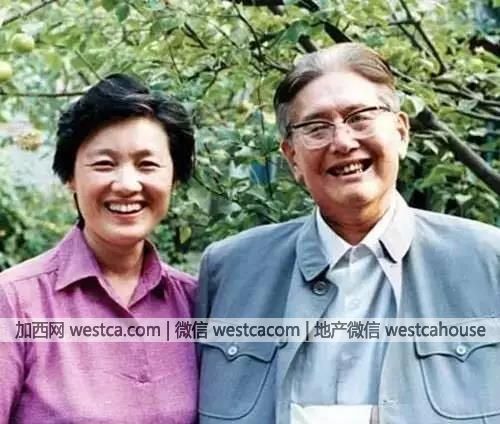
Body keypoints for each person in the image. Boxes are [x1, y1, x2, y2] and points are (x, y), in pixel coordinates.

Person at [196, 43, 500, 424]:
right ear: (292, 157)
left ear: (401, 132)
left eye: (360, 118)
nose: (342, 142)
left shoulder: (487, 262)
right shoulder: (230, 271)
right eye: (316, 128)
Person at [0, 74, 198, 423]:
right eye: (104, 164)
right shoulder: (15, 302)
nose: (127, 185)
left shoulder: (195, 302)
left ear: (174, 179)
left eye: (147, 164)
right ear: (70, 177)